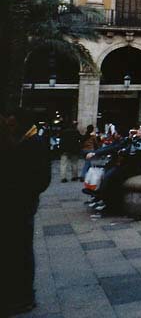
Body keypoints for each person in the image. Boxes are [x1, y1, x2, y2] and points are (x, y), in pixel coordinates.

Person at [2, 111, 51, 315]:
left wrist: (26, 195)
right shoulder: (22, 141)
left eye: (12, 125)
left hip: (22, 205)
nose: (10, 129)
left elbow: (42, 178)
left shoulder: (33, 143)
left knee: (21, 250)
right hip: (19, 204)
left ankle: (24, 297)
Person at [86, 126, 141, 215]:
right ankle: (104, 200)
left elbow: (135, 154)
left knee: (112, 178)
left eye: (140, 130)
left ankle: (111, 205)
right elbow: (121, 147)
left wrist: (124, 152)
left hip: (135, 167)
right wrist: (129, 140)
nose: (137, 131)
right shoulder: (135, 139)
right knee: (109, 176)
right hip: (128, 165)